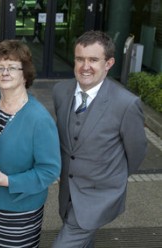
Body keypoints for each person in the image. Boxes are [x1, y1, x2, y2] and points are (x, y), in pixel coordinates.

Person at [52, 30, 148, 248]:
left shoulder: (126, 104)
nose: (85, 66)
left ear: (109, 63)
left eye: (93, 60)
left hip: (99, 196)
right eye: (80, 59)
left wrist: (110, 178)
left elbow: (137, 152)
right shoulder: (60, 91)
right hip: (68, 192)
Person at [0, 40, 61, 247]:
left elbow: (49, 171)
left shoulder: (39, 119)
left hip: (16, 216)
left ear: (25, 74)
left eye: (12, 67)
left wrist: (8, 181)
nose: (4, 72)